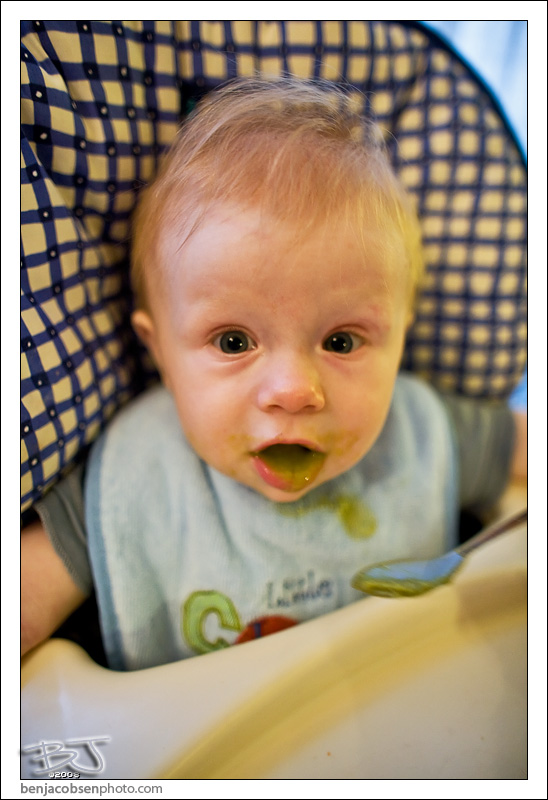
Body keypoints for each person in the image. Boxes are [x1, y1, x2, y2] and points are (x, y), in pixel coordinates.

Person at [21, 78, 526, 670]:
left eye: (341, 341)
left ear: (399, 339)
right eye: (233, 342)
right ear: (160, 353)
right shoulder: (128, 486)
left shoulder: (423, 435)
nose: (292, 391)